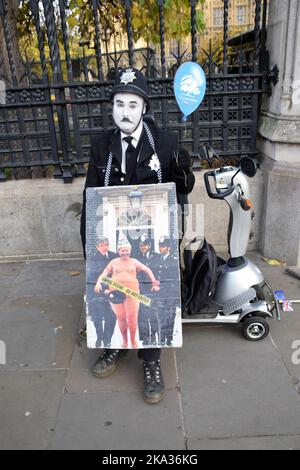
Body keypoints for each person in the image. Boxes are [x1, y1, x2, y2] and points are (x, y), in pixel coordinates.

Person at [80, 66, 195, 404]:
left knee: (150, 300)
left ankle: (151, 362)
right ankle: (115, 347)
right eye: (119, 104)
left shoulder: (165, 142)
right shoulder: (101, 145)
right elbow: (90, 196)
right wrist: (90, 247)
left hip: (150, 237)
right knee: (111, 296)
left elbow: (182, 193)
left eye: (132, 105)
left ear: (144, 108)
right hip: (113, 239)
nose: (125, 112)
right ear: (112, 107)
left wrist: (184, 170)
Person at [94, 235, 160, 349]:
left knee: (132, 318)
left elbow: (147, 270)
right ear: (118, 251)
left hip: (132, 294)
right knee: (121, 317)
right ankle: (125, 341)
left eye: (127, 250)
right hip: (115, 294)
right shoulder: (113, 262)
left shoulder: (134, 261)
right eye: (122, 250)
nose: (125, 252)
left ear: (130, 251)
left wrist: (154, 282)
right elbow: (104, 273)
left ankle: (133, 340)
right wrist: (98, 283)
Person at [87, 237, 117, 348]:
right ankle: (99, 337)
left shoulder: (114, 256)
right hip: (97, 293)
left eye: (106, 245)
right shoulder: (93, 259)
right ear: (97, 247)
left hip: (111, 292)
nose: (104, 247)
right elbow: (92, 277)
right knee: (98, 318)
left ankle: (107, 339)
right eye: (102, 246)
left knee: (112, 317)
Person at [136, 234, 160, 346]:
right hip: (141, 290)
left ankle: (154, 335)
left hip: (152, 290)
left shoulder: (156, 257)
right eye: (141, 245)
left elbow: (160, 272)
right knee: (142, 316)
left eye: (145, 245)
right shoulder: (136, 258)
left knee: (153, 314)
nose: (143, 247)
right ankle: (145, 337)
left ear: (149, 245)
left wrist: (156, 284)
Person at [156, 236, 179, 346]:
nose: (160, 248)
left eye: (163, 246)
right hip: (160, 294)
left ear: (168, 248)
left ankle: (168, 338)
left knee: (170, 316)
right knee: (160, 316)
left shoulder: (173, 261)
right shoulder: (157, 259)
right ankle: (161, 338)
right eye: (159, 246)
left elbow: (175, 279)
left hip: (170, 294)